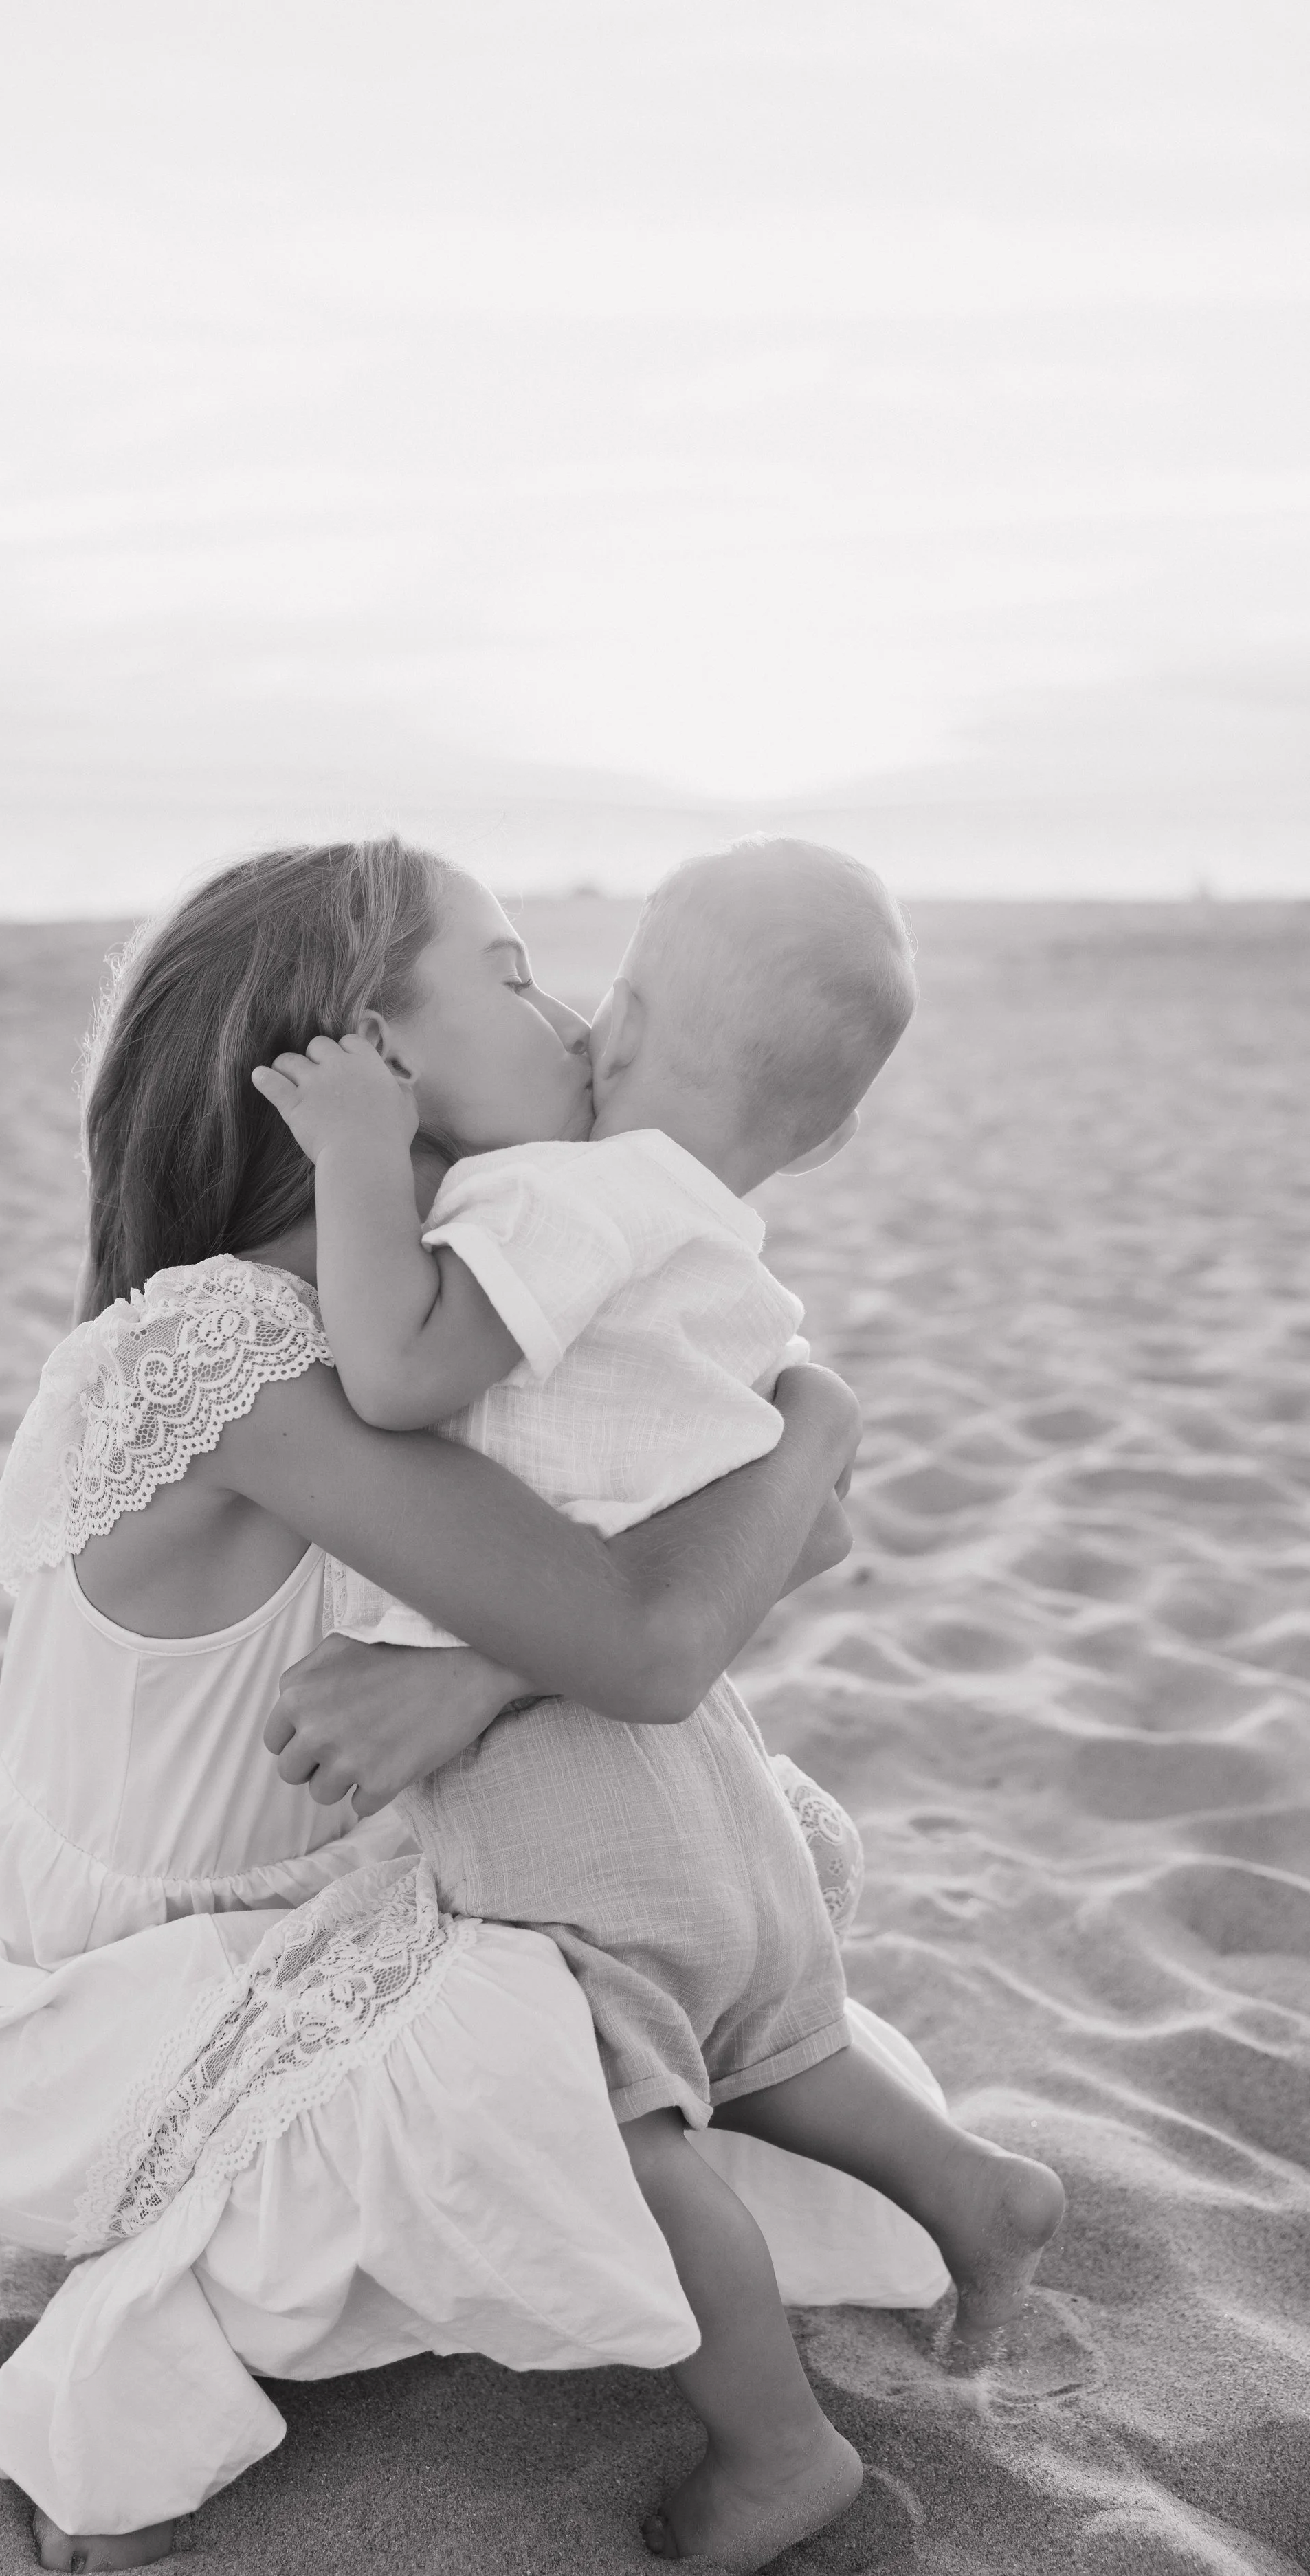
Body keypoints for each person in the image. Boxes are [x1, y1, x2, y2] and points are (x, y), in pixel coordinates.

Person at [0, 839, 925, 2576]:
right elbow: (665, 1624)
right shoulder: (245, 1356)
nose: (567, 1014)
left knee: (705, 1885)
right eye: (509, 972)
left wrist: (481, 1670)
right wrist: (813, 1417)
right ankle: (191, 2312)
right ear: (370, 1048)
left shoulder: (435, 1300)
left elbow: (775, 1545)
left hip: (326, 1881)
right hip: (91, 1991)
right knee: (558, 2023)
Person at [256, 839, 1067, 2564]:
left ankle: (775, 2448)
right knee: (768, 2034)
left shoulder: (569, 1196)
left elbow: (394, 1372)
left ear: (615, 1021)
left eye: (568, 982)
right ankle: (969, 2187)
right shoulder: (729, 1258)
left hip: (561, 1762)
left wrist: (353, 1156)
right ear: (824, 1136)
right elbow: (792, 1520)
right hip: (699, 1749)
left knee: (605, 2115)